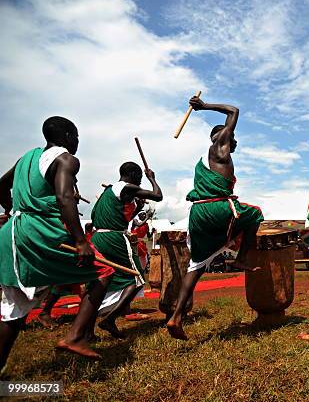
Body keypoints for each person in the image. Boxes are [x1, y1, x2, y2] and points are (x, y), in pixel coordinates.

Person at [0, 116, 115, 368]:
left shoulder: (26, 159)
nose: (77, 143)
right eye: (76, 137)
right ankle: (74, 337)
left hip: (12, 232)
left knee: (15, 310)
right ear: (68, 137)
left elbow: (0, 186)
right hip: (40, 232)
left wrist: (14, 209)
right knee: (104, 270)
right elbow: (65, 199)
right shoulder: (66, 159)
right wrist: (80, 241)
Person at [167, 95, 264, 340]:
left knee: (196, 265)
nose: (233, 142)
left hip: (197, 213)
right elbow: (234, 109)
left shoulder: (202, 160)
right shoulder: (219, 144)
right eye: (231, 138)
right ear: (222, 136)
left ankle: (176, 316)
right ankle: (241, 258)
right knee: (254, 213)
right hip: (216, 208)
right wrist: (204, 107)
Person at [90, 162, 162, 339]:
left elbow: (118, 215)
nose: (139, 181)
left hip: (97, 238)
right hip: (114, 238)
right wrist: (152, 177)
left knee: (98, 284)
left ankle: (87, 331)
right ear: (132, 174)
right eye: (139, 177)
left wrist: (137, 206)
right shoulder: (127, 187)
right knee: (136, 278)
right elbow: (158, 196)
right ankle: (110, 318)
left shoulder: (109, 191)